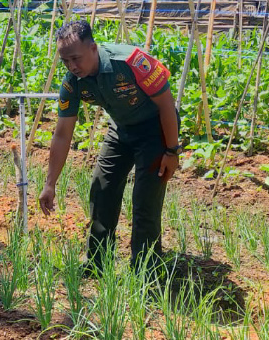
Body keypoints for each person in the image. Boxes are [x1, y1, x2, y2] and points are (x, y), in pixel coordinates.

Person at [38, 20, 181, 272]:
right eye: (65, 61)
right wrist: (50, 183)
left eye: (76, 58)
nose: (72, 66)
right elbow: (62, 133)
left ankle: (146, 271)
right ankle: (97, 263)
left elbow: (167, 105)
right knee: (101, 188)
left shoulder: (130, 62)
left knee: (144, 199)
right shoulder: (73, 82)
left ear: (93, 48)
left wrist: (172, 151)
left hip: (155, 128)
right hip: (122, 128)